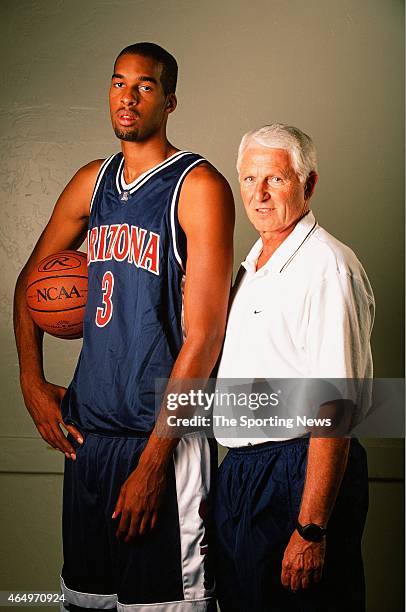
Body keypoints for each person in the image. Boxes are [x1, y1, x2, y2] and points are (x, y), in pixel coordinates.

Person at [13, 42, 234, 611]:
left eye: (145, 86)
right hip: (90, 440)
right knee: (87, 603)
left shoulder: (198, 187)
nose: (127, 97)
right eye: (118, 83)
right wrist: (32, 385)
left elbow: (206, 337)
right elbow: (28, 284)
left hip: (160, 441)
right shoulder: (92, 182)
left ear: (170, 100)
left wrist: (156, 461)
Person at [213, 124, 374, 611]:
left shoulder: (327, 267)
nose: (259, 194)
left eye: (276, 180)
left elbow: (336, 409)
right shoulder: (252, 265)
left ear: (309, 184)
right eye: (248, 179)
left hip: (297, 470)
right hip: (242, 473)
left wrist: (310, 529)